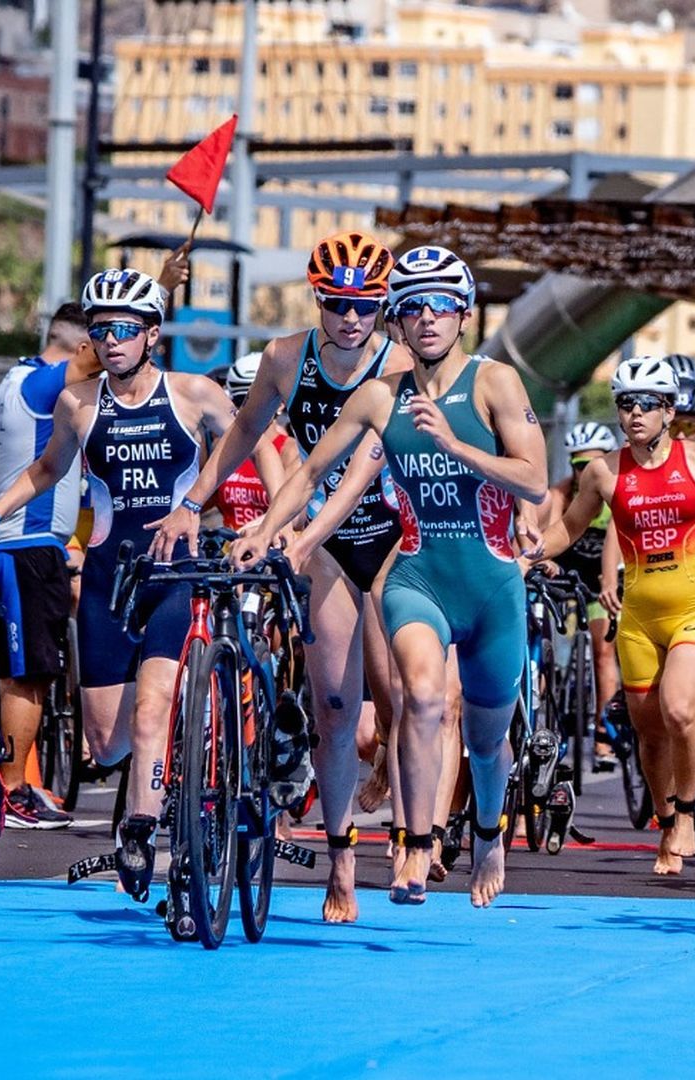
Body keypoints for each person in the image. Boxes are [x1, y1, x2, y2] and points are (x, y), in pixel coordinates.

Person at [235, 245, 549, 909]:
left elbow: (535, 479)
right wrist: (267, 530)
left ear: (463, 314)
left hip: (490, 581)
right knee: (421, 699)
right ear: (398, 322)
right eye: (412, 307)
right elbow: (312, 473)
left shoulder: (496, 383)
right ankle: (414, 843)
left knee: (488, 740)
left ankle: (489, 833)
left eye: (440, 305)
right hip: (418, 573)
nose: (426, 317)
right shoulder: (381, 396)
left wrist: (457, 447)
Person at [0, 268, 235, 901]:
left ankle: (141, 825)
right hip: (110, 575)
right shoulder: (78, 403)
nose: (110, 341)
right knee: (105, 743)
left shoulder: (193, 393)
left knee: (154, 707)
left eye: (124, 330)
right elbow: (47, 469)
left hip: (173, 572)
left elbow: (251, 440)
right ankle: (159, 757)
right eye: (100, 329)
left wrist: (213, 506)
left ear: (152, 335)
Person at [145, 230, 401, 923]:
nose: (351, 319)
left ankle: (406, 791)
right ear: (318, 300)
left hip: (392, 531)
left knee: (403, 695)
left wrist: (290, 529)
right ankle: (343, 861)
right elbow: (244, 432)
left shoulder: (400, 361)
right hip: (321, 533)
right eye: (338, 304)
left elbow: (365, 468)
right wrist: (192, 504)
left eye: (366, 306)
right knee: (337, 710)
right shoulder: (288, 357)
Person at [531, 356, 695, 878]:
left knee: (681, 709)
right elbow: (570, 529)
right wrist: (530, 548)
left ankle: (687, 812)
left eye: (646, 404)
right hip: (638, 620)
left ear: (668, 409)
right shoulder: (604, 470)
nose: (635, 413)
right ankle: (667, 821)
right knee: (650, 732)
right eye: (625, 403)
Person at [0, 303, 103, 830]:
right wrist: (158, 291)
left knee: (18, 670)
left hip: (14, 544)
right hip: (29, 544)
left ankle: (14, 781)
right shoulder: (44, 382)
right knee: (29, 675)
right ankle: (13, 788)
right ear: (79, 347)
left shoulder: (14, 377)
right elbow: (101, 356)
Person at [541, 421, 623, 742]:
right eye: (579, 465)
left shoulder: (615, 495)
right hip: (563, 577)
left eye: (594, 463)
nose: (586, 471)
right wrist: (544, 562)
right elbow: (551, 531)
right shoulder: (561, 493)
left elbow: (616, 547)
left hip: (601, 577)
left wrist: (611, 580)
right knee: (546, 641)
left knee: (604, 654)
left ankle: (605, 735)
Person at [209, 352, 291, 531]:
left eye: (262, 401)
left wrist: (247, 532)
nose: (250, 409)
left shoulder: (291, 452)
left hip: (273, 551)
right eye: (241, 401)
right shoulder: (221, 448)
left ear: (281, 403)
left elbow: (294, 513)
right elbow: (198, 503)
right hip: (227, 553)